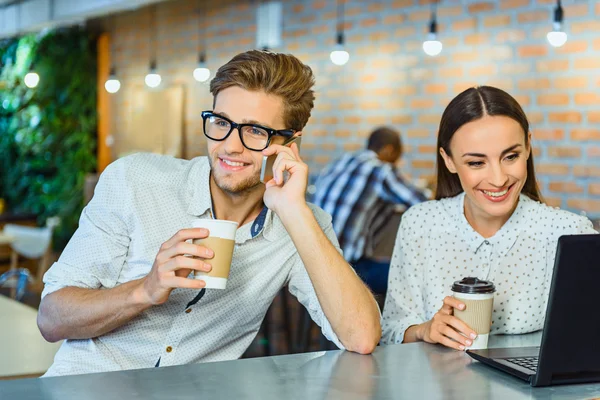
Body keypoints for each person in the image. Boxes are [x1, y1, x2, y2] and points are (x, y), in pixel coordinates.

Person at [37, 50, 381, 377]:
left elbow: (361, 337)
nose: (230, 145)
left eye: (255, 131)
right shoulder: (135, 181)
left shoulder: (299, 223)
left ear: (290, 144)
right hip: (85, 388)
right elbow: (52, 319)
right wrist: (144, 289)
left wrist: (295, 211)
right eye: (221, 123)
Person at [381, 86, 597, 349]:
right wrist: (424, 331)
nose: (498, 179)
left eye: (511, 156)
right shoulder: (420, 223)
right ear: (448, 160)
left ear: (528, 147)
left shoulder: (569, 231)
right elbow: (390, 330)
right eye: (476, 162)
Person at [312, 127, 426, 295]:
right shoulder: (381, 170)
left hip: (312, 265)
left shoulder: (340, 161)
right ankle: (391, 321)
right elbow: (421, 202)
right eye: (396, 157)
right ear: (388, 150)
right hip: (345, 269)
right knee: (417, 276)